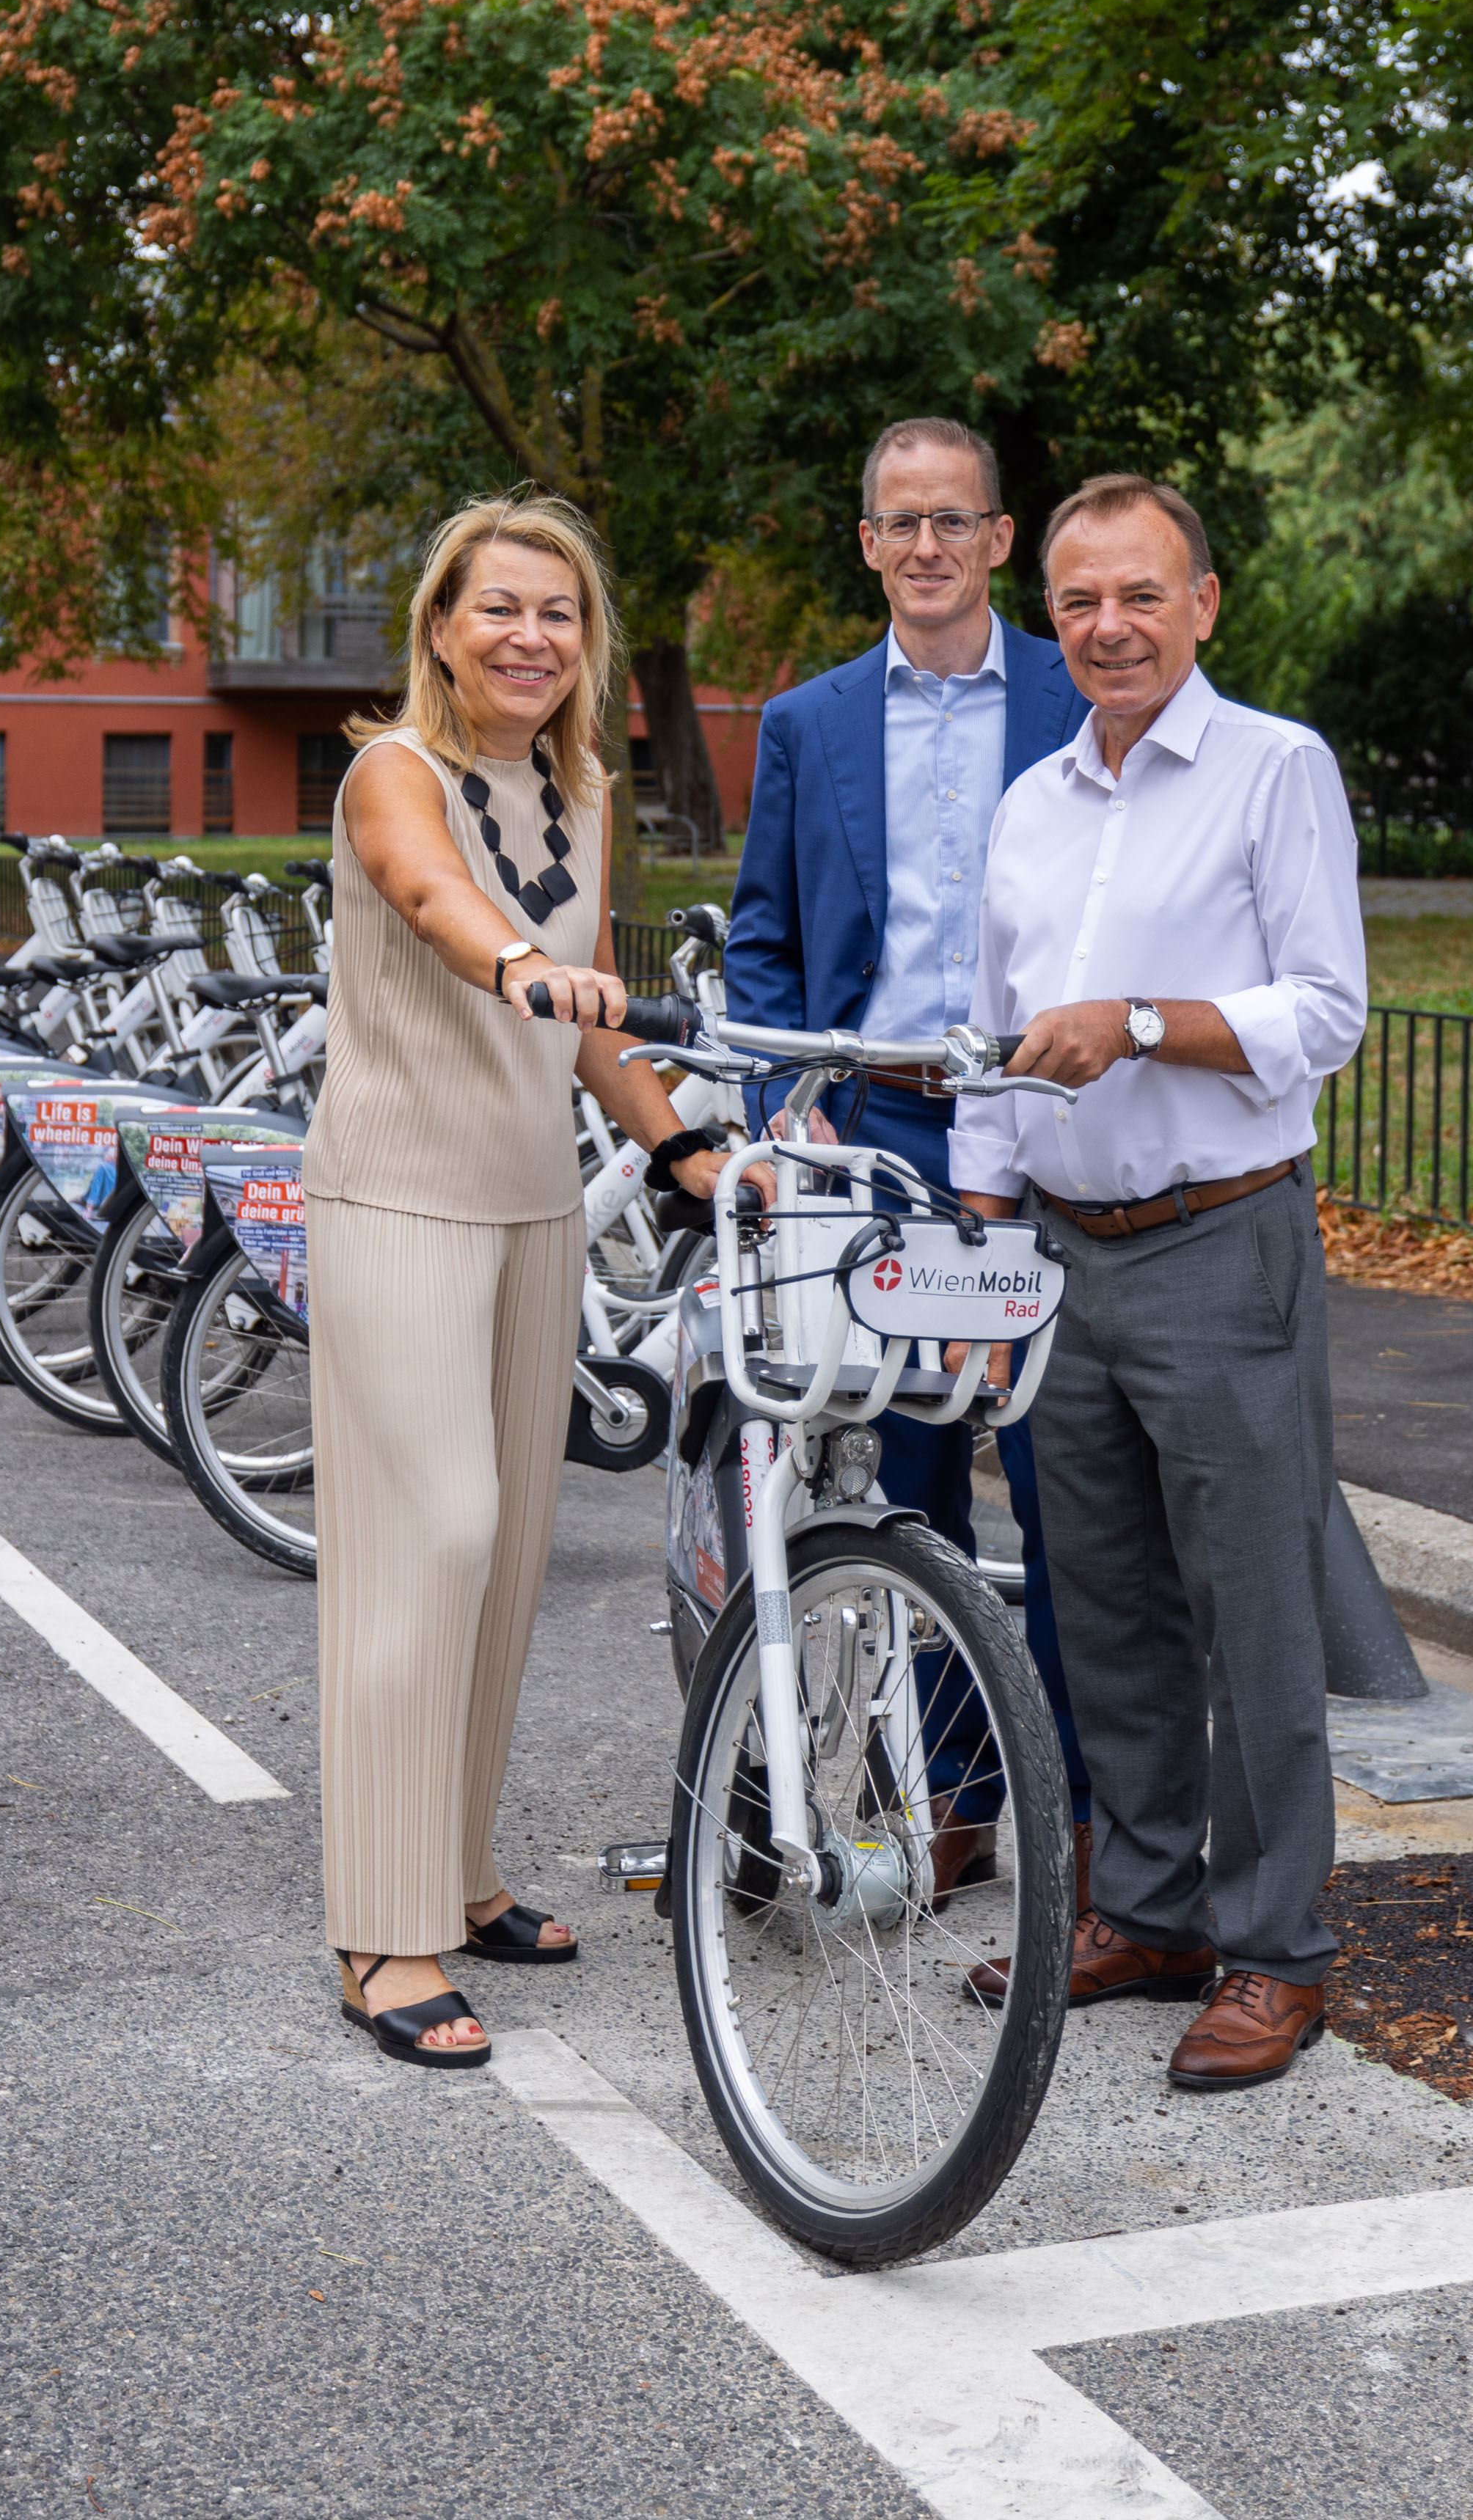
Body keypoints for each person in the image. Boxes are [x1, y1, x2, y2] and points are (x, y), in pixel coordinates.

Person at [305, 492, 731, 2069]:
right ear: (439, 625)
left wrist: (678, 1142)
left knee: (509, 1554)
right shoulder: (392, 772)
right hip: (399, 1197)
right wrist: (523, 965)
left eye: (557, 613)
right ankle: (379, 1926)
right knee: (432, 1534)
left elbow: (593, 1020)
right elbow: (436, 898)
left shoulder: (579, 787)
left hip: (532, 1205)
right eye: (499, 607)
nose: (530, 635)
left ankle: (459, 1873)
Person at [954, 475, 1367, 2094]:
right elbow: (993, 1034)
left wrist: (1138, 1020)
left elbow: (1324, 1010)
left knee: (1252, 1608)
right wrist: (988, 1232)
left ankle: (1277, 1951)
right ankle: (1148, 1907)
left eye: (1140, 594)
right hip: (1064, 1251)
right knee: (1105, 1608)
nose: (1109, 627)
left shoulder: (1277, 770)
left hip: (1221, 1240)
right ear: (1047, 618)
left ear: (1204, 601)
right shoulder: (1032, 803)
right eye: (1077, 603)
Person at [725, 414, 1093, 1889]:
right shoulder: (807, 724)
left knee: (1072, 1488)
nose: (928, 545)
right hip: (879, 1138)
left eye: (956, 519)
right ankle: (960, 1803)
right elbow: (764, 941)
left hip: (1056, 1132)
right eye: (901, 522)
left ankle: (1088, 1824)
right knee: (918, 1490)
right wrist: (780, 1110)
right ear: (867, 542)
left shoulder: (1085, 695)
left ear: (1002, 539)